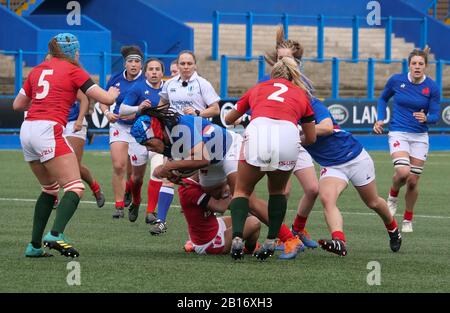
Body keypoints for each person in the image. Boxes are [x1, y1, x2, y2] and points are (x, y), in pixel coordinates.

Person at [131, 104, 305, 259]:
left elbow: (202, 159)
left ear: (156, 131)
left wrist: (167, 168)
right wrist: (176, 173)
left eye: (148, 143)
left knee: (246, 199)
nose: (148, 148)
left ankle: (290, 238)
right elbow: (191, 162)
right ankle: (238, 233)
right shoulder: (165, 136)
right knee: (214, 195)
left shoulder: (180, 127)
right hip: (214, 160)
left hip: (230, 149)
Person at [13, 32, 119, 258]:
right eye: (77, 50)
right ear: (72, 52)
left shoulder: (38, 69)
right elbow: (106, 100)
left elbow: (18, 104)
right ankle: (55, 234)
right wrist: (113, 92)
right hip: (48, 129)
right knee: (75, 187)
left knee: (50, 189)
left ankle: (34, 246)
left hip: (28, 129)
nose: (79, 54)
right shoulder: (74, 70)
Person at [224, 57, 316, 261]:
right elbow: (311, 138)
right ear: (293, 76)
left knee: (242, 190)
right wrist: (293, 140)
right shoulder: (301, 94)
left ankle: (238, 237)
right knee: (277, 191)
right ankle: (271, 240)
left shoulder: (259, 87)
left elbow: (229, 119)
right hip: (288, 134)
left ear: (272, 74)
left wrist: (244, 116)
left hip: (259, 131)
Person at [306, 99, 402, 256]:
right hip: (332, 166)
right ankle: (339, 241)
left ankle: (393, 229)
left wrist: (299, 131)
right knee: (327, 199)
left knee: (373, 202)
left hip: (355, 157)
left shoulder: (313, 104)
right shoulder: (284, 117)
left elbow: (327, 127)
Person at [261, 25, 319, 249]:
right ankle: (278, 236)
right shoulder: (267, 82)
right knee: (281, 192)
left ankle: (298, 228)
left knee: (313, 189)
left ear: (297, 61)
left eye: (286, 58)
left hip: (295, 141)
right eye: (279, 58)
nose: (281, 62)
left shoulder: (304, 85)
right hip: (274, 143)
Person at [374, 47, 440, 233]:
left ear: (426, 66)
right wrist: (380, 118)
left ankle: (408, 219)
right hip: (398, 133)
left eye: (421, 64)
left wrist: (427, 118)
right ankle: (392, 197)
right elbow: (382, 99)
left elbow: (435, 115)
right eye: (414, 63)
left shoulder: (432, 87)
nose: (417, 67)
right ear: (409, 65)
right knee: (403, 172)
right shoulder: (397, 80)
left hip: (420, 137)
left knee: (412, 181)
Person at [118, 58, 174, 233]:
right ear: (145, 71)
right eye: (151, 69)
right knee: (136, 178)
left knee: (158, 171)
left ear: (162, 72)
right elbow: (122, 110)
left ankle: (151, 211)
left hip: (159, 139)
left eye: (158, 69)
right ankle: (135, 201)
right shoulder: (138, 88)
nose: (155, 72)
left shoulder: (169, 89)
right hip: (140, 138)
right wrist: (139, 108)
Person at [99, 46, 146, 219]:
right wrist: (107, 113)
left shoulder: (146, 80)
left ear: (141, 64)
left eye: (137, 61)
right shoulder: (116, 79)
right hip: (119, 125)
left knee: (136, 175)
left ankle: (130, 190)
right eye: (130, 61)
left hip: (140, 128)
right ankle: (119, 206)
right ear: (125, 63)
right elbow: (103, 100)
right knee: (119, 165)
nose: (134, 65)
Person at [178, 175, 260, 255]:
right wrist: (228, 188)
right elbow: (220, 208)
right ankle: (248, 250)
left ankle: (193, 244)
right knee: (254, 222)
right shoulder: (189, 188)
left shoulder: (195, 183)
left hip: (212, 226)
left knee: (244, 217)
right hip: (209, 242)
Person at [63, 92, 105, 208]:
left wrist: (80, 119)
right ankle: (53, 195)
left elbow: (85, 97)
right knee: (52, 161)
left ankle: (95, 188)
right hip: (55, 121)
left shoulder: (71, 75)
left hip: (73, 121)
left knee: (74, 164)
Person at [158, 50, 220, 118]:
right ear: (178, 66)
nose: (186, 67)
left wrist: (197, 113)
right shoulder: (169, 83)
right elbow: (163, 102)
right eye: (182, 63)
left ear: (195, 66)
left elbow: (216, 110)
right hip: (174, 125)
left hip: (196, 125)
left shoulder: (203, 83)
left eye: (189, 64)